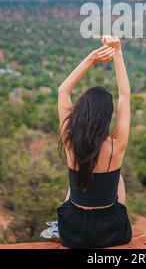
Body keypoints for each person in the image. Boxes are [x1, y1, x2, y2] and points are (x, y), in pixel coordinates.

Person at [41, 35, 132, 248]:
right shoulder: (116, 146)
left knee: (78, 176)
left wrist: (91, 59)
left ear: (81, 112)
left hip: (73, 231)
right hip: (112, 231)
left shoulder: (69, 141)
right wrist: (117, 53)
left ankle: (56, 227)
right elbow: (125, 96)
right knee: (118, 178)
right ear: (106, 117)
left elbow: (63, 90)